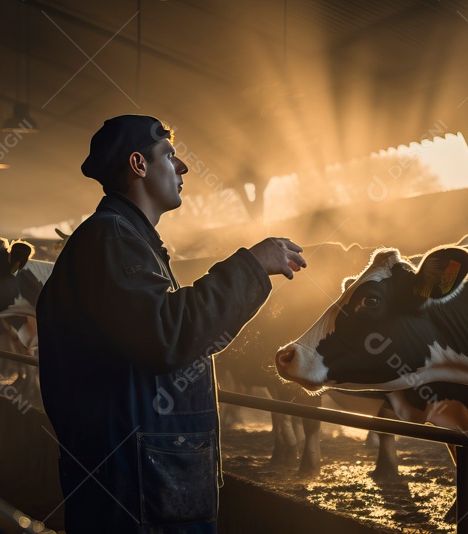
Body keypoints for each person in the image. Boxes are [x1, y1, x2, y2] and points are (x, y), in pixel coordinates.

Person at [37, 114, 306, 533]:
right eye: (169, 155)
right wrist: (250, 267)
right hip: (137, 489)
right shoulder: (112, 239)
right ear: (138, 165)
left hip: (142, 478)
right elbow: (168, 333)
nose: (182, 167)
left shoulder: (125, 239)